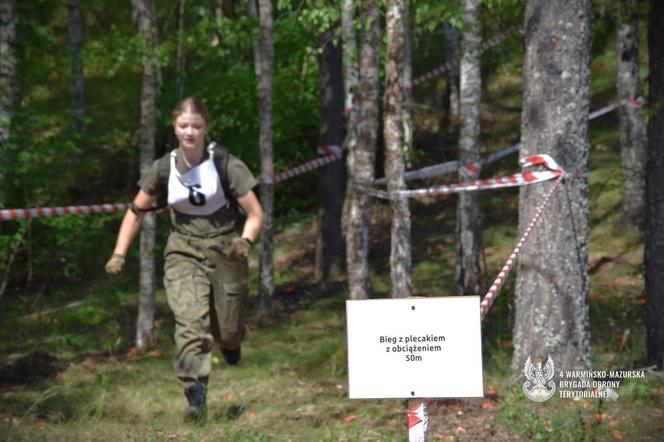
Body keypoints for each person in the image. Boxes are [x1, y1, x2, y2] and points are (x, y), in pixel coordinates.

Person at [104, 97, 263, 422]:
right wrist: (119, 254)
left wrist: (245, 241)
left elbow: (255, 213)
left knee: (228, 331)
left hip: (225, 251)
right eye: (183, 126)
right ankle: (195, 394)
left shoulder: (226, 164)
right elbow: (136, 212)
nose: (189, 132)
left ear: (206, 127)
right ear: (175, 127)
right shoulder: (163, 168)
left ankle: (230, 341)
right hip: (183, 250)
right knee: (190, 323)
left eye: (196, 126)